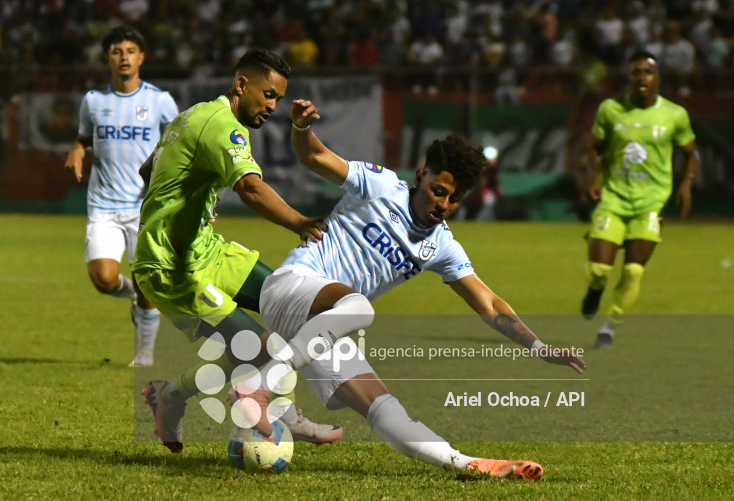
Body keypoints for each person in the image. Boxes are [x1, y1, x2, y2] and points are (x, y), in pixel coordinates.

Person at [244, 101, 585, 481]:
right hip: (292, 285)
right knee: (359, 307)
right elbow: (314, 155)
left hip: (319, 327)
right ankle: (258, 387)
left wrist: (538, 346)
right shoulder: (380, 185)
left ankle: (470, 464)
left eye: (454, 199)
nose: (443, 204)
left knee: (385, 410)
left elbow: (488, 302)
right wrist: (300, 127)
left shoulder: (442, 246)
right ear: (421, 173)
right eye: (438, 190)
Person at [133, 49, 343, 453]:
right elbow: (249, 188)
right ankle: (277, 411)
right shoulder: (223, 126)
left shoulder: (194, 114)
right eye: (267, 95)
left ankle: (171, 394)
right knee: (259, 349)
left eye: (278, 99)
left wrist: (186, 205)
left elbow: (149, 170)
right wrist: (300, 223)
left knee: (294, 305)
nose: (272, 106)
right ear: (241, 84)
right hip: (174, 268)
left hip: (208, 252)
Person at [64, 26, 179, 368]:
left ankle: (143, 355)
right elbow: (84, 138)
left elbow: (183, 145)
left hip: (146, 206)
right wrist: (77, 151)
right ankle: (135, 297)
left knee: (148, 278)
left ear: (141, 57)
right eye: (117, 51)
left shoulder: (160, 100)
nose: (124, 57)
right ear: (108, 58)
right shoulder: (93, 101)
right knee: (103, 278)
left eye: (131, 50)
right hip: (103, 205)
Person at [580, 50, 699, 348]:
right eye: (636, 72)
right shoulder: (610, 109)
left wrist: (686, 184)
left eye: (647, 72)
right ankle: (596, 288)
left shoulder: (674, 114)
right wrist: (595, 176)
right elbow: (595, 147)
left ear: (657, 78)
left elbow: (691, 153)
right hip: (614, 198)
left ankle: (609, 327)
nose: (642, 77)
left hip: (650, 203)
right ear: (629, 78)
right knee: (599, 269)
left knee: (633, 271)